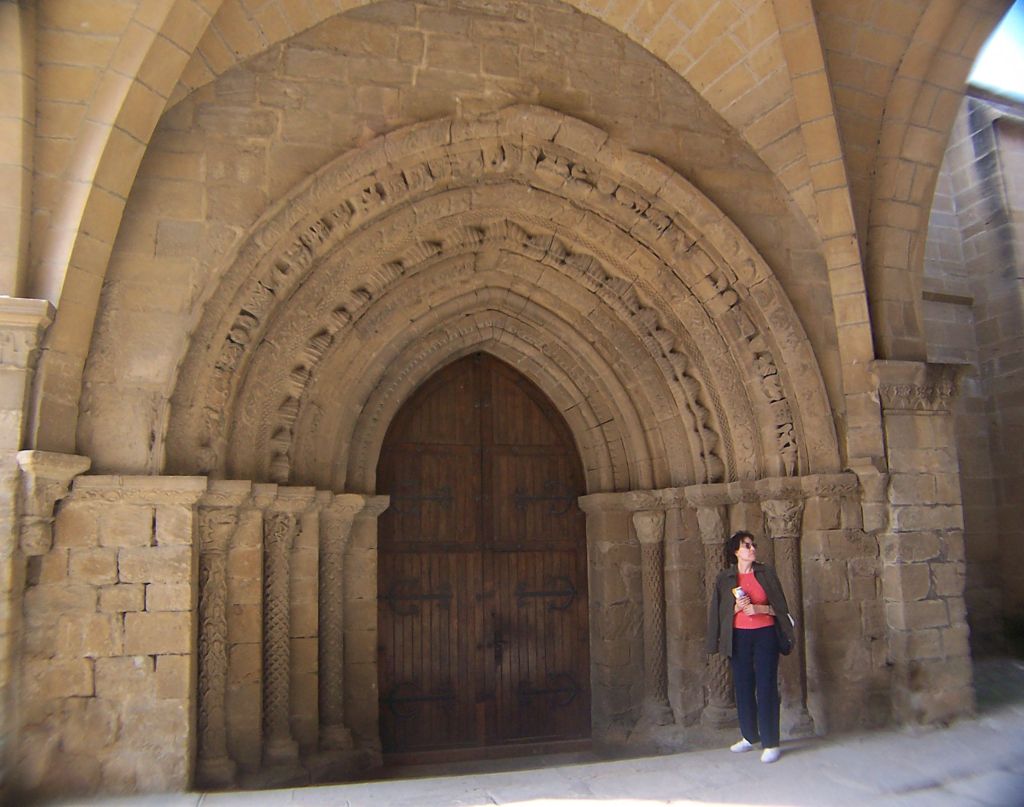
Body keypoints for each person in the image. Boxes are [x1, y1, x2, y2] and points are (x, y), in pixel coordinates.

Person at [706, 530, 795, 764]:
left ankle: (771, 742)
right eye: (747, 546)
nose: (752, 549)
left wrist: (760, 609)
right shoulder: (725, 578)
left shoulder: (766, 573)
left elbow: (782, 608)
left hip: (765, 634)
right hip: (739, 636)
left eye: (753, 545)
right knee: (743, 686)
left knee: (766, 686)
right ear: (736, 551)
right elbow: (718, 611)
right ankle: (749, 735)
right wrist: (735, 608)